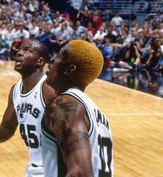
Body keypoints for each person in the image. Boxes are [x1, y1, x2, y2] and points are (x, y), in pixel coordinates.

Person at [0, 39, 56, 176]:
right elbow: (7, 128)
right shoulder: (16, 90)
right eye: (20, 49)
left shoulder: (49, 89)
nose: (19, 53)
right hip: (34, 168)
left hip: (54, 169)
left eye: (27, 50)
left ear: (40, 62)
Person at [41, 40, 114, 177]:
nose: (52, 59)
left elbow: (80, 173)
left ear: (69, 70)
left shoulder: (63, 105)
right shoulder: (96, 112)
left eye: (59, 55)